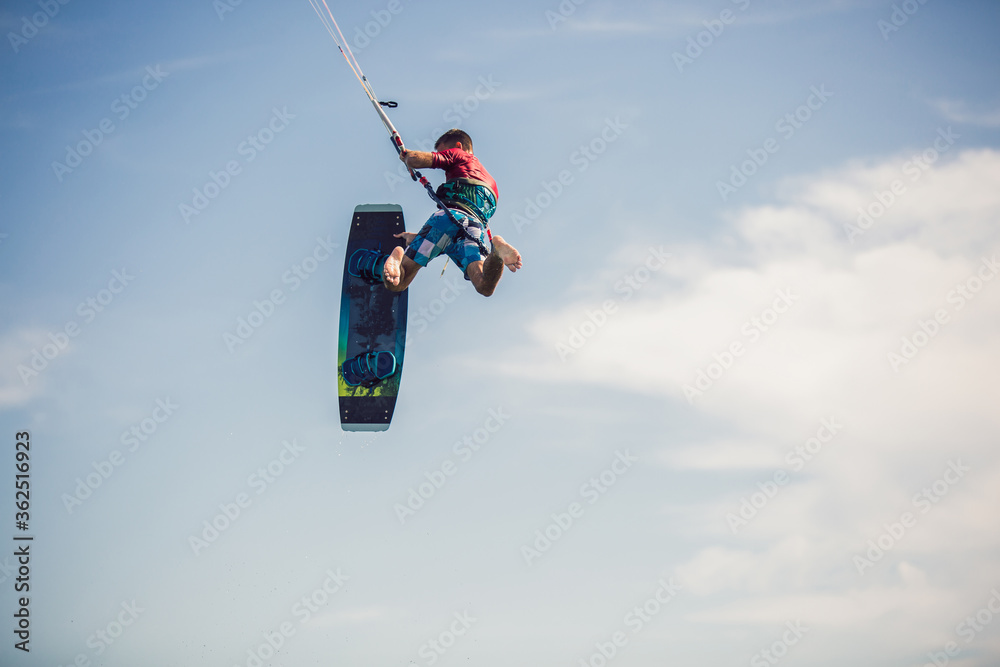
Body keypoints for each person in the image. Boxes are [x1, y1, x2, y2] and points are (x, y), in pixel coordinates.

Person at [381, 129, 522, 296]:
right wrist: (415, 237)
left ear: (458, 146)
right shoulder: (492, 184)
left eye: (443, 151)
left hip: (447, 218)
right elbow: (449, 234)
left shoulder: (460, 155)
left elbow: (414, 159)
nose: (444, 156)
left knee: (398, 283)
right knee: (484, 286)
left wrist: (406, 157)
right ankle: (497, 253)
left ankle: (398, 259)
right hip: (473, 227)